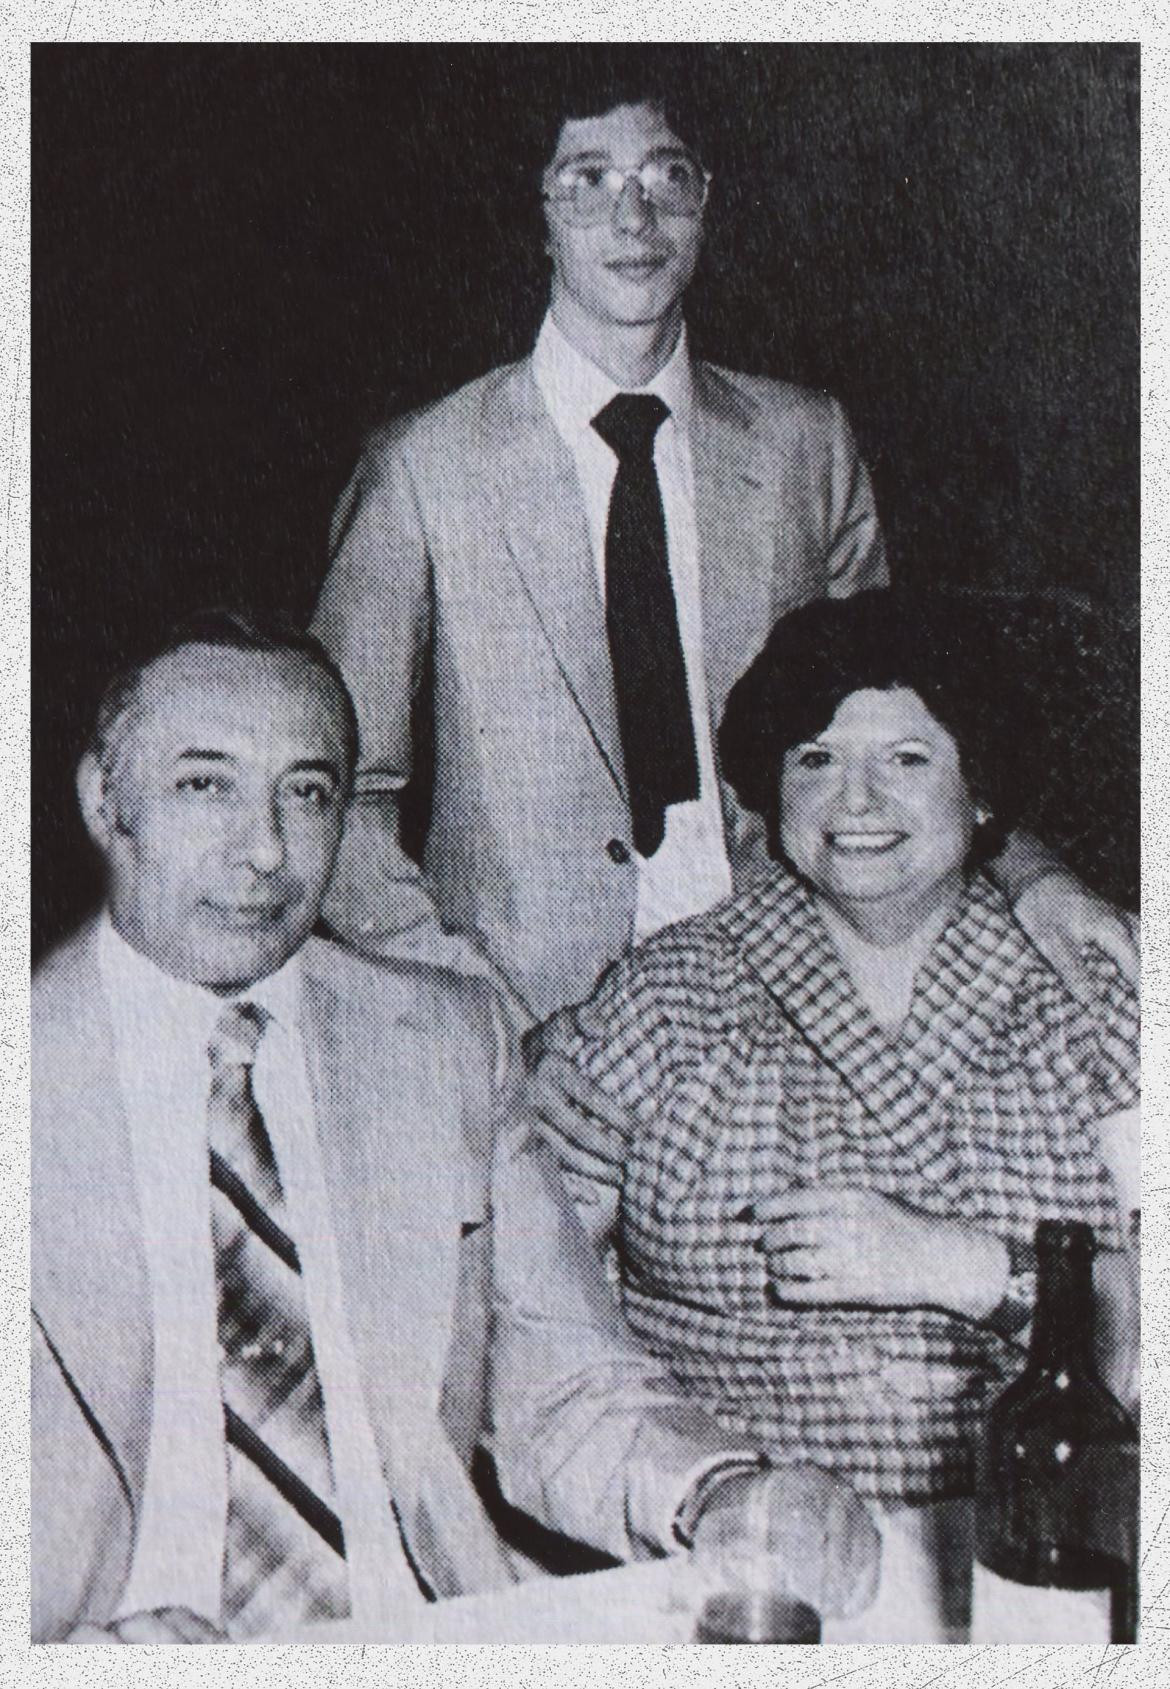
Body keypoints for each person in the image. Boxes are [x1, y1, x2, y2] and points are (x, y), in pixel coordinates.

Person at [31, 612, 880, 1643]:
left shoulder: (439, 1039)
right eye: (204, 785)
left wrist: (716, 1492)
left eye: (307, 793)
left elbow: (565, 1383)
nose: (263, 851)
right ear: (102, 801)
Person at [312, 72, 1136, 1031]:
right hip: (533, 1024)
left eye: (666, 174)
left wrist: (1031, 872)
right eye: (588, 178)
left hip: (795, 998)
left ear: (707, 199)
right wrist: (467, 1010)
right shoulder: (423, 463)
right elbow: (337, 800)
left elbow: (917, 724)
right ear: (537, 216)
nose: (636, 214)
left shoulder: (804, 442)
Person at [532, 589, 1139, 1640]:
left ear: (984, 793)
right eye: (816, 758)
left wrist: (971, 1269)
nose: (854, 801)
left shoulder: (1096, 992)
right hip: (741, 1563)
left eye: (907, 759)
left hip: (1031, 1553)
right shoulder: (665, 994)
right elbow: (534, 1310)